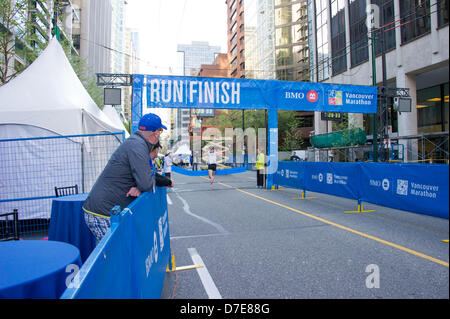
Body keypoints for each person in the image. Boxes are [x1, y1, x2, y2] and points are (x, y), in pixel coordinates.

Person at [82, 112, 166, 244]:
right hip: (102, 212)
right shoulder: (138, 146)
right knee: (114, 255)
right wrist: (142, 185)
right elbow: (146, 183)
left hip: (104, 209)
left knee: (119, 252)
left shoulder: (136, 142)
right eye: (160, 131)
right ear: (156, 133)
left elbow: (146, 178)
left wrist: (141, 184)